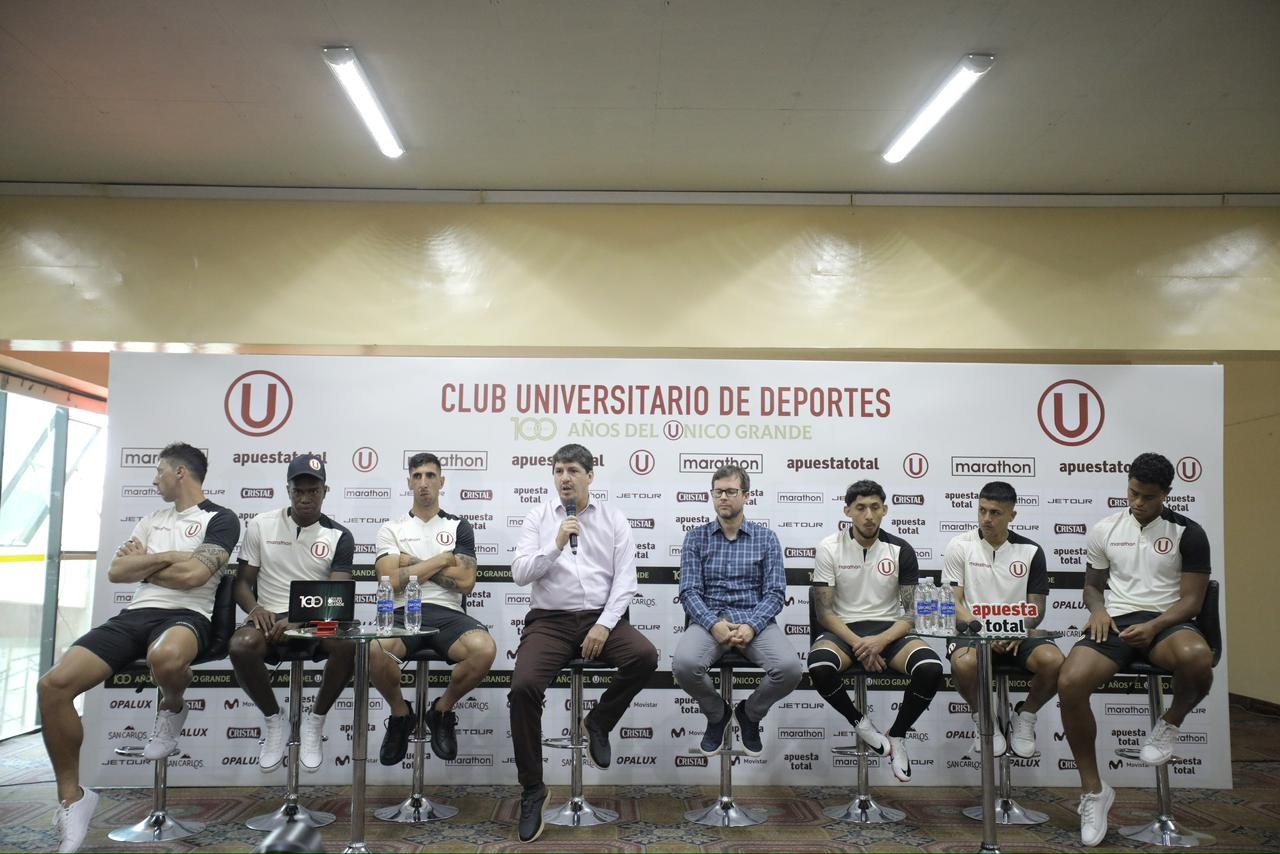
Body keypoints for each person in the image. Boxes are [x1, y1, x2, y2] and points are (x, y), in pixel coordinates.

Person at [38, 443, 238, 852]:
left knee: (163, 657)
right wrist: (169, 556)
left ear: (181, 472)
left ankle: (173, 705)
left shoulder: (221, 519)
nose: (154, 479)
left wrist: (147, 564)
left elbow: (195, 576)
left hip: (188, 616)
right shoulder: (151, 519)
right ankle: (73, 799)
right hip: (134, 616)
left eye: (160, 471)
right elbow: (116, 571)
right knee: (53, 686)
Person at [1059, 452, 1215, 847]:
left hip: (1168, 622)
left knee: (1198, 658)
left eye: (1147, 496)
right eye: (1132, 492)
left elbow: (1192, 601)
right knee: (1071, 682)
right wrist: (1097, 611)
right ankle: (1094, 791)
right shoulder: (1105, 528)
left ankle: (1170, 723)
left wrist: (1155, 626)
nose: (1137, 502)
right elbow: (1093, 585)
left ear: (1166, 493)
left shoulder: (1189, 532)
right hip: (1117, 623)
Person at [509, 443, 658, 843]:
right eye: (558, 471)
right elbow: (520, 573)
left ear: (590, 476)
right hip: (551, 622)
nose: (565, 478)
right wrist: (555, 542)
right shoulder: (539, 517)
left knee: (645, 656)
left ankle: (598, 721)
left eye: (573, 470)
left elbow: (625, 581)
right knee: (522, 687)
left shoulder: (613, 518)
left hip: (600, 619)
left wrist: (604, 626)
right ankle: (533, 790)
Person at [806, 479, 943, 783]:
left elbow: (911, 614)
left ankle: (898, 735)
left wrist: (880, 641)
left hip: (890, 631)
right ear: (848, 511)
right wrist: (861, 645)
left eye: (875, 507)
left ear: (885, 510)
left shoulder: (901, 550)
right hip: (844, 631)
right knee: (819, 667)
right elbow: (825, 613)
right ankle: (861, 723)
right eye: (860, 508)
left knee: (931, 669)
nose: (868, 515)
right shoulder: (828, 547)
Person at [229, 454, 356, 772]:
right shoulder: (261, 524)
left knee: (345, 642)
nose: (305, 498)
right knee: (241, 644)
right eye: (298, 490)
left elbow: (337, 597)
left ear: (325, 491)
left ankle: (315, 721)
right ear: (288, 489)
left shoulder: (339, 536)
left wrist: (297, 620)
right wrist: (256, 608)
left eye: (313, 491)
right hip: (268, 621)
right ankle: (274, 720)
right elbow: (242, 584)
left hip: (315, 624)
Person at [369, 452, 496, 766]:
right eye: (417, 476)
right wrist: (441, 559)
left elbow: (466, 582)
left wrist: (410, 562)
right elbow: (389, 581)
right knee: (372, 649)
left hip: (447, 614)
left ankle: (441, 711)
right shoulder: (391, 528)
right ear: (409, 482)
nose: (423, 483)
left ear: (441, 481)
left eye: (429, 476)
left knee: (484, 649)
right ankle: (401, 715)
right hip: (400, 612)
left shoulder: (459, 527)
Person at [673, 464, 801, 757]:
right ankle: (717, 713)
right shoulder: (696, 538)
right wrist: (713, 623)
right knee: (683, 665)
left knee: (790, 669)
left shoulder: (766, 539)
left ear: (746, 495)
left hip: (755, 621)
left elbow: (775, 593)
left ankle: (749, 714)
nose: (724, 498)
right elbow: (689, 591)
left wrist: (753, 625)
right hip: (709, 622)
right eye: (718, 492)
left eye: (731, 491)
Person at [944, 481, 1063, 759]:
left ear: (1012, 515)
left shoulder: (1031, 551)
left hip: (1017, 635)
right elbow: (953, 602)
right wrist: (986, 631)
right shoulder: (959, 545)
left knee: (1055, 662)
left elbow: (1037, 608)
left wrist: (1016, 629)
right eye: (982, 510)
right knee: (963, 663)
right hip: (972, 633)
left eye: (995, 512)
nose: (986, 518)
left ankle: (1026, 715)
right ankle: (983, 717)